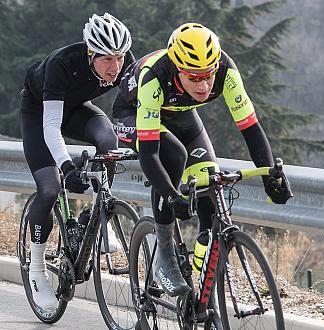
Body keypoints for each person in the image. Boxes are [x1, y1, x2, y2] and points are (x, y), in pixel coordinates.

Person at [111, 23, 290, 303]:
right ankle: (165, 258)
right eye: (194, 78)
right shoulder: (154, 77)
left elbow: (250, 128)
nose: (204, 85)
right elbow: (150, 155)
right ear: (178, 69)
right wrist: (172, 197)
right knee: (173, 153)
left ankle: (203, 287)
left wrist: (270, 175)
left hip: (181, 112)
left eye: (208, 76)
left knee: (210, 180)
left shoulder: (226, 71)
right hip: (132, 113)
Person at [20, 13, 134, 314]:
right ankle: (36, 270)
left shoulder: (124, 64)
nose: (115, 67)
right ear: (90, 53)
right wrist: (67, 167)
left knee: (109, 142)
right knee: (49, 188)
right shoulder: (62, 64)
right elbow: (51, 127)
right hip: (40, 113)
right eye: (107, 59)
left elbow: (135, 109)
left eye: (120, 58)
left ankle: (97, 214)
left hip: (77, 109)